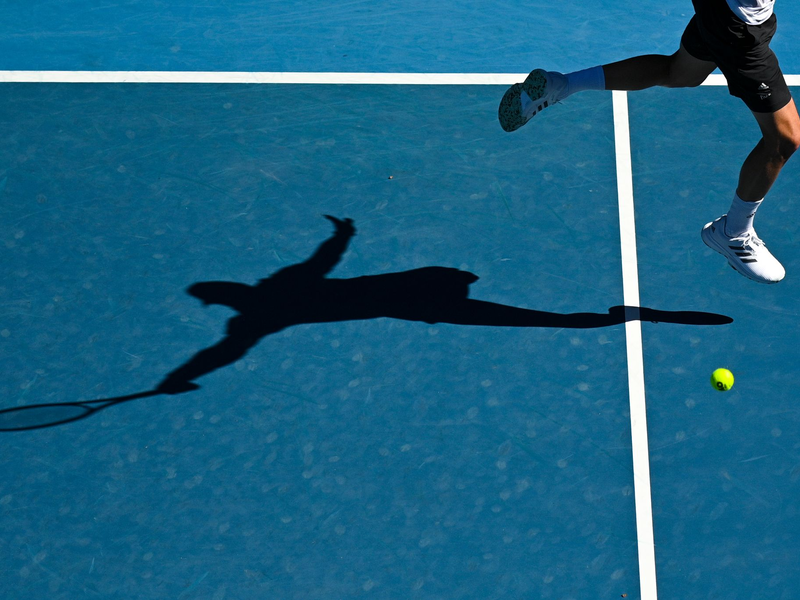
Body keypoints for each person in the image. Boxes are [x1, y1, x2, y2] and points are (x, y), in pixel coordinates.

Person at [499, 0, 800, 284]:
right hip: (738, 24)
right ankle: (733, 232)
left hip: (723, 9)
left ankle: (562, 85)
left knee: (681, 71)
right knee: (784, 138)